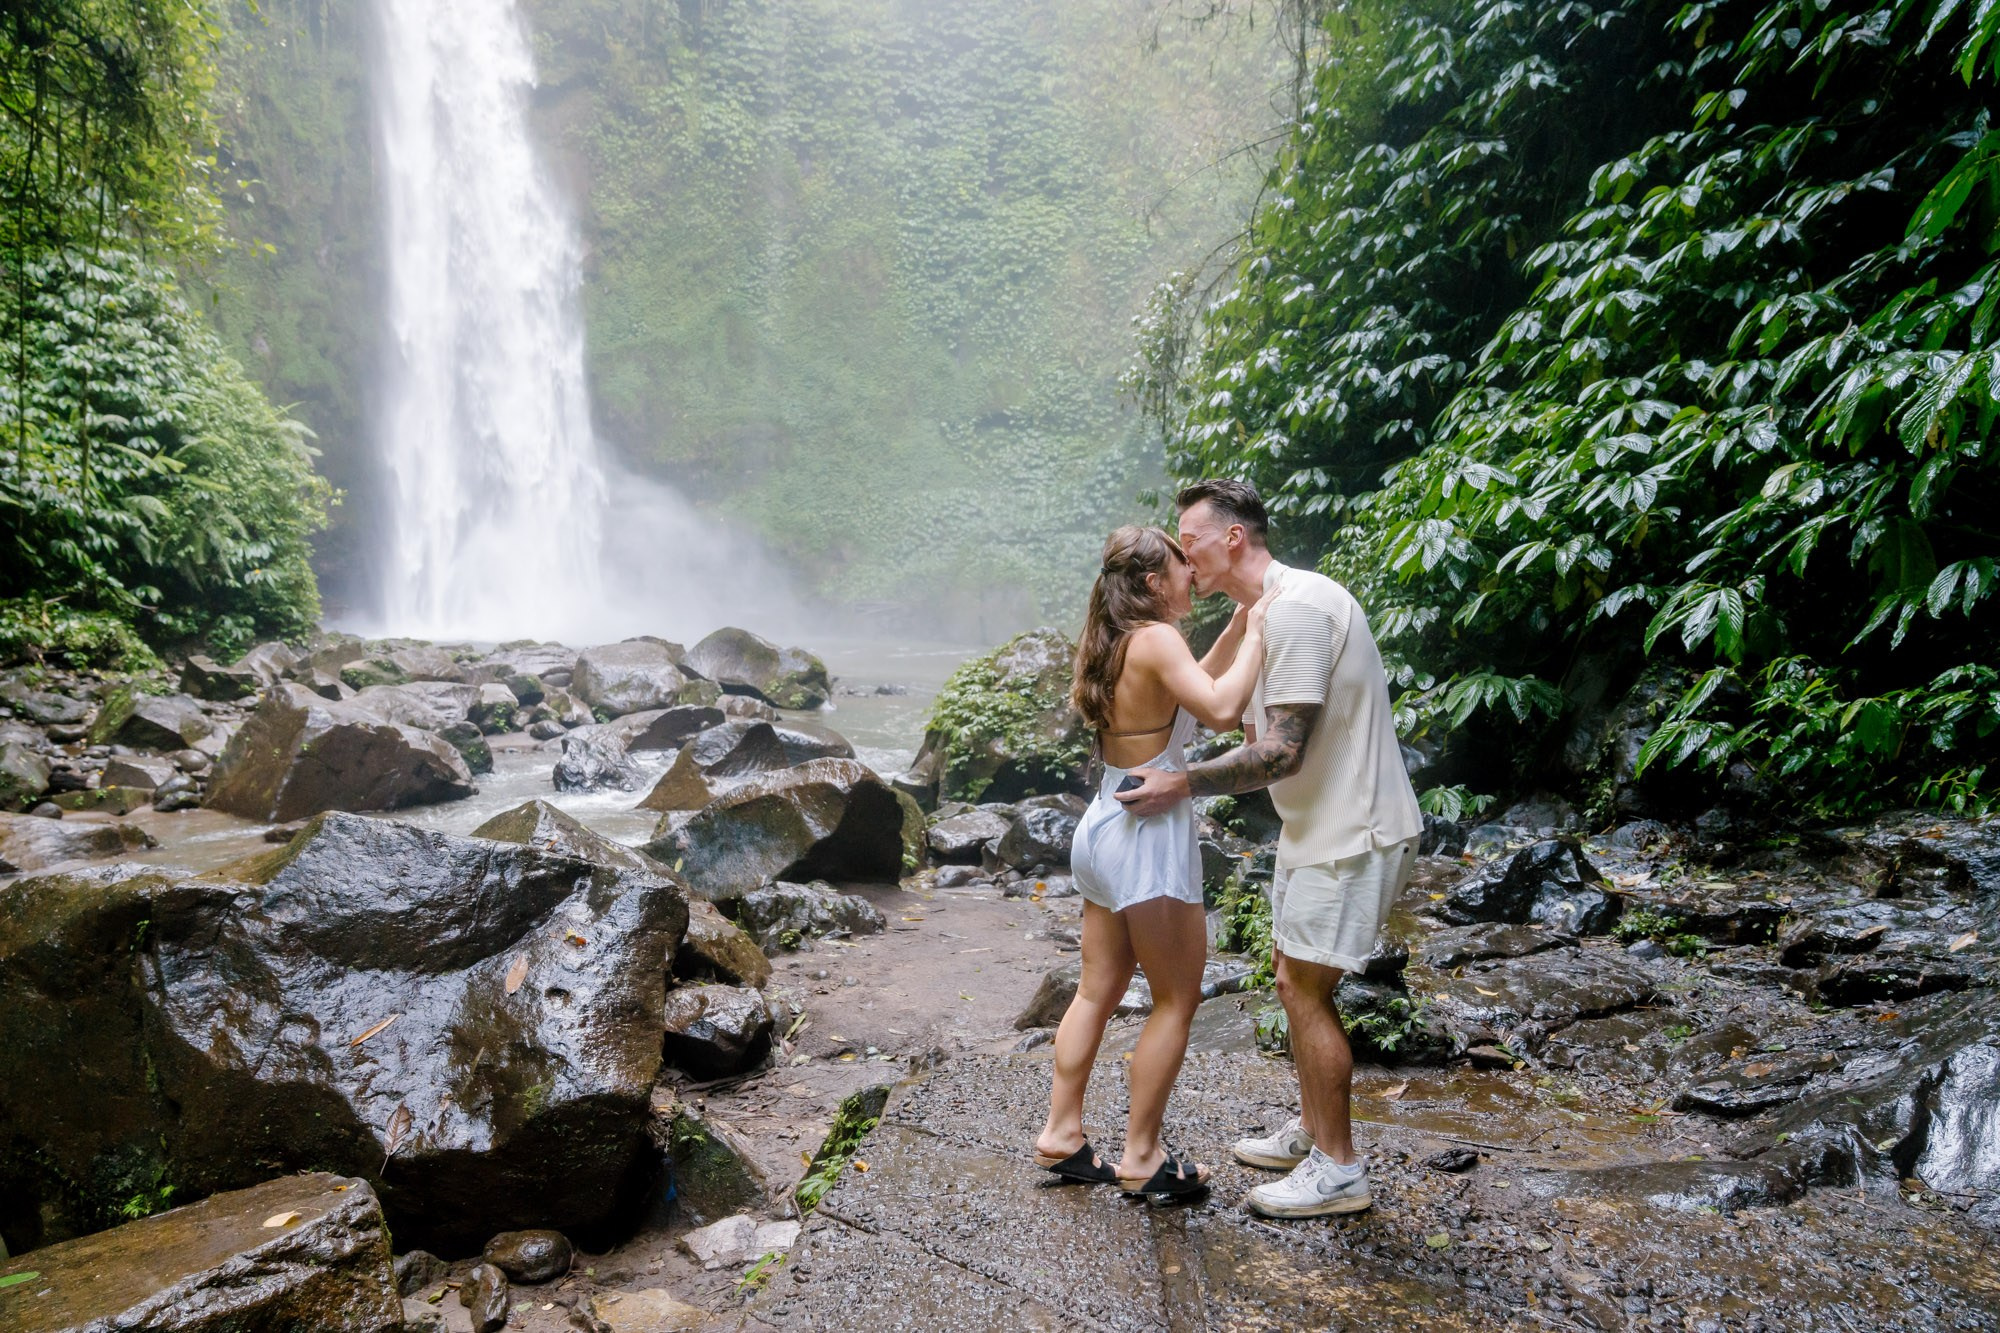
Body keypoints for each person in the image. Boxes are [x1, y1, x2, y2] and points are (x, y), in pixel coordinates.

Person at [1117, 479, 1422, 1218]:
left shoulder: (1301, 609)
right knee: (1292, 975)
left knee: (1304, 989)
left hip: (1354, 830)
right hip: (1315, 828)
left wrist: (1177, 782)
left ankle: (1339, 1168)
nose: (1180, 552)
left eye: (1188, 537)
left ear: (1231, 538)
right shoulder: (1265, 614)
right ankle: (1315, 1132)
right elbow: (1236, 719)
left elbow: (1282, 751)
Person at [1033, 524, 1276, 1199]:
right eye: (1180, 566)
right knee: (1175, 998)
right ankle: (1143, 1154)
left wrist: (1234, 627)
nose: (1191, 574)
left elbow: (1189, 683)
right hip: (1149, 830)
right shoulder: (1158, 639)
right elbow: (1222, 708)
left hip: (1105, 821)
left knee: (1095, 989)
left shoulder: (1113, 639)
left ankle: (1062, 1133)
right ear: (1151, 583)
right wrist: (1259, 630)